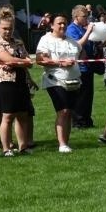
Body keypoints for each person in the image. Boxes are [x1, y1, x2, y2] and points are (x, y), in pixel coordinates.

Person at [0, 7, 34, 155]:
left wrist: (18, 62)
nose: (7, 31)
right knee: (7, 116)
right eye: (5, 28)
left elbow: (30, 62)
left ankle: (23, 147)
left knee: (22, 115)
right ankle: (6, 148)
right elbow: (8, 59)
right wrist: (20, 61)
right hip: (5, 82)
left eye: (10, 28)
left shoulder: (19, 42)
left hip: (21, 80)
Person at [37, 14, 82, 153]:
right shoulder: (45, 40)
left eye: (64, 23)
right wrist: (60, 63)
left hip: (73, 81)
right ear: (52, 25)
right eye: (59, 23)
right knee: (63, 111)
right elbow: (40, 60)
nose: (62, 25)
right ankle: (62, 144)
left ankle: (66, 142)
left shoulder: (72, 41)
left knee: (68, 112)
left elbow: (81, 54)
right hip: (54, 80)